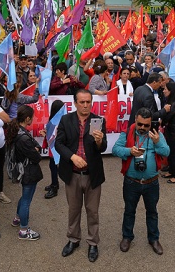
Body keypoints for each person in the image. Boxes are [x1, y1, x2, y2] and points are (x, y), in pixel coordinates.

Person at [55, 89, 107, 262]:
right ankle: (73, 239)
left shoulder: (98, 121)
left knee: (92, 212)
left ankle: (93, 243)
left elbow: (103, 147)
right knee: (74, 210)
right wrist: (72, 157)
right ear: (75, 103)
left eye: (88, 102)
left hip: (93, 175)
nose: (85, 105)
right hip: (72, 174)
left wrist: (100, 141)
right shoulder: (66, 120)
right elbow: (58, 144)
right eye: (82, 102)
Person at [112, 107, 169, 255]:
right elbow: (115, 149)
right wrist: (129, 151)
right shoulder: (128, 132)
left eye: (146, 125)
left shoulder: (156, 134)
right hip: (131, 182)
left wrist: (157, 142)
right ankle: (127, 237)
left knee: (152, 212)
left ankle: (154, 239)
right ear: (136, 120)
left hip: (152, 182)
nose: (143, 128)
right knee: (129, 211)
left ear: (151, 123)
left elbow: (166, 152)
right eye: (140, 124)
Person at [6, 105, 43, 241]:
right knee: (27, 200)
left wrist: (36, 148)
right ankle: (23, 229)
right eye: (32, 117)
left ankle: (17, 218)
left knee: (24, 197)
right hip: (28, 172)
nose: (33, 119)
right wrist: (36, 150)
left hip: (22, 170)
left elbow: (36, 147)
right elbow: (36, 156)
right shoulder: (24, 138)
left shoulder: (18, 131)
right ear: (27, 118)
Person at [42, 100, 65, 199]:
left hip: (56, 148)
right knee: (53, 167)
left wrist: (45, 134)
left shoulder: (57, 121)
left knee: (54, 167)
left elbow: (55, 136)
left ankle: (54, 187)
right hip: (56, 147)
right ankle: (54, 183)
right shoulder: (61, 119)